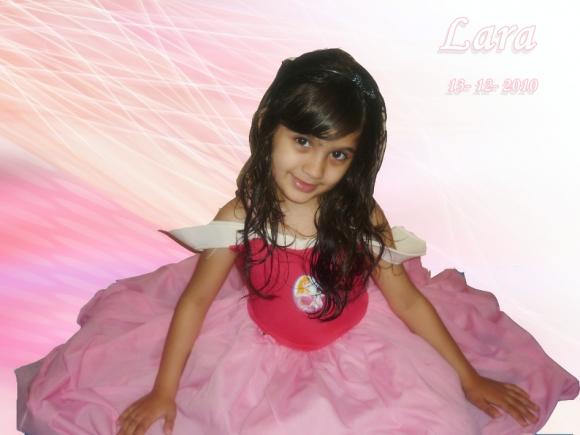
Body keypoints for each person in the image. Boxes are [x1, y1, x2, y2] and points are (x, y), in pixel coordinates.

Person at [15, 48, 579, 435]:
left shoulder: (361, 217)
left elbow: (406, 300)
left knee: (438, 421)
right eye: (303, 141)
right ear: (269, 126)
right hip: (255, 349)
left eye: (338, 154)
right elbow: (195, 301)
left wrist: (467, 377)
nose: (314, 168)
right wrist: (165, 390)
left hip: (363, 343)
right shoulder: (241, 217)